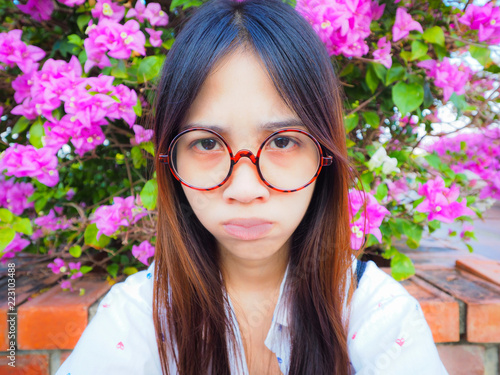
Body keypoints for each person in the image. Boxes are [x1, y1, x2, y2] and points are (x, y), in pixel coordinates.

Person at [56, 0, 449, 374]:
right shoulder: (136, 317)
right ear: (170, 160)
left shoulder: (380, 315)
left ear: (324, 155)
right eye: (206, 143)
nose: (244, 190)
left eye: (282, 141)